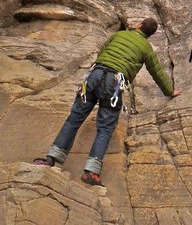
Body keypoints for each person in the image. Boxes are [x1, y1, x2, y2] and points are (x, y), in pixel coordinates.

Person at [33, 17, 181, 186]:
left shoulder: (119, 35)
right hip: (115, 83)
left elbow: (103, 51)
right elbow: (157, 71)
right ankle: (91, 172)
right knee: (105, 128)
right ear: (150, 35)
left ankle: (51, 159)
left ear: (139, 25)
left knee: (74, 119)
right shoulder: (147, 48)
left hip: (95, 75)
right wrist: (170, 91)